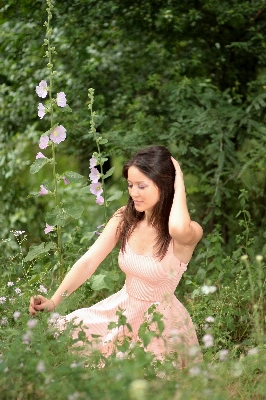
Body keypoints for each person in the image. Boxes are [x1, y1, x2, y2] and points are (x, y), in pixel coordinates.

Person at [29, 145, 203, 367]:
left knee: (137, 373)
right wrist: (54, 301)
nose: (133, 193)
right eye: (130, 185)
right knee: (66, 334)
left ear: (166, 185)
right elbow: (89, 261)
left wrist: (179, 181)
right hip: (122, 307)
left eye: (142, 186)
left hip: (160, 322)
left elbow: (177, 228)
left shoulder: (187, 233)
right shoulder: (126, 217)